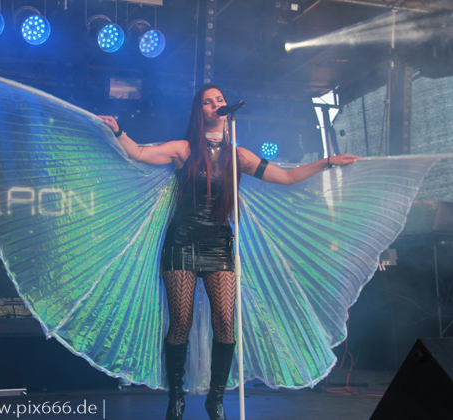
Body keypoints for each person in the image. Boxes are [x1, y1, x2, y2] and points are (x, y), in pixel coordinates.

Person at [99, 84, 358, 420]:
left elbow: (287, 177)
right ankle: (176, 397)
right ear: (200, 111)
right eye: (208, 102)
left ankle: (216, 399)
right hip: (182, 241)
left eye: (219, 100)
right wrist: (118, 130)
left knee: (225, 321)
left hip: (219, 243)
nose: (216, 105)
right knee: (180, 322)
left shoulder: (239, 156)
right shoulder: (184, 149)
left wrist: (329, 162)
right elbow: (137, 153)